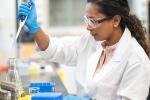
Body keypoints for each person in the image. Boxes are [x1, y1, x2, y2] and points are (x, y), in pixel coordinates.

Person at [18, 0, 150, 99]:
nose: (88, 27)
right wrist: (35, 27)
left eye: (93, 21)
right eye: (87, 19)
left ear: (115, 20)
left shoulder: (137, 61)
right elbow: (56, 48)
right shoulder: (92, 41)